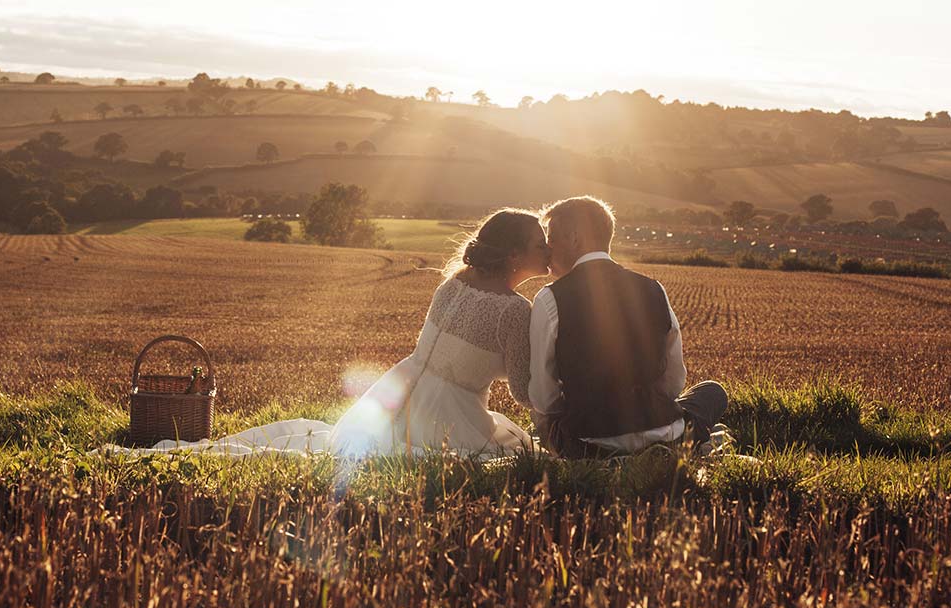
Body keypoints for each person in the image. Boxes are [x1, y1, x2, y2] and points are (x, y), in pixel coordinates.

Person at [117, 208, 551, 459]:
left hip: (399, 393)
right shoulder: (514, 312)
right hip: (449, 417)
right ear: (514, 256)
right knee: (515, 452)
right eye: (540, 243)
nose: (547, 249)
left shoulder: (453, 282)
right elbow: (523, 393)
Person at [527, 196, 727, 459]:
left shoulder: (549, 298)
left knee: (539, 417)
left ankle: (616, 458)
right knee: (712, 391)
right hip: (664, 428)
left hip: (588, 441)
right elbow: (674, 380)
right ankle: (667, 447)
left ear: (575, 237)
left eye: (551, 238)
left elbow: (544, 397)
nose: (548, 248)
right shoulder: (654, 289)